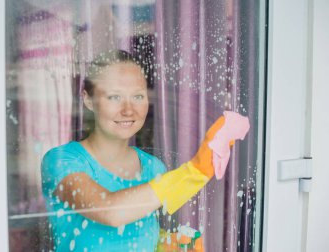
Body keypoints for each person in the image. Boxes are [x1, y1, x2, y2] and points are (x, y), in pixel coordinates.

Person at [41, 50, 249, 251]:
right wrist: (195, 171)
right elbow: (109, 211)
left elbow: (136, 231)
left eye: (138, 96)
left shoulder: (153, 167)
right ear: (88, 100)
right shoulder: (63, 160)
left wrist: (166, 244)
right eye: (114, 97)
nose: (128, 109)